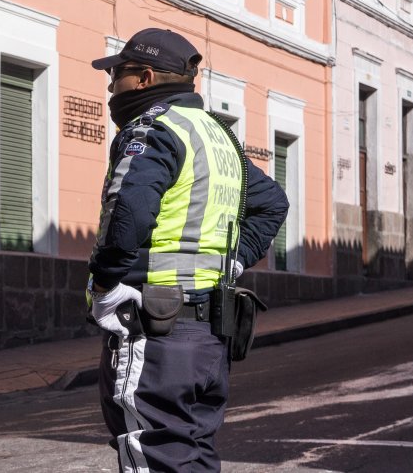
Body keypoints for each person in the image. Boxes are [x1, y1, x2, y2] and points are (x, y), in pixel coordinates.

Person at [86, 28, 289, 472]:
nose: (109, 84)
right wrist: (231, 262)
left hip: (156, 331)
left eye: (116, 74)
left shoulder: (154, 129)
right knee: (192, 456)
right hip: (208, 338)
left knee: (152, 455)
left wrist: (106, 282)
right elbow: (273, 202)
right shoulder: (219, 136)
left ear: (143, 77)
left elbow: (131, 210)